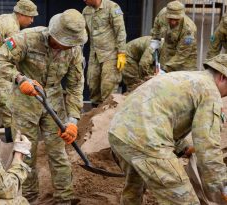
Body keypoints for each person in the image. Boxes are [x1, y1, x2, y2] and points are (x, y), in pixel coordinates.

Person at [0, 9, 87, 204]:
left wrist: (73, 120)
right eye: (64, 42)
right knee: (26, 154)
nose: (66, 47)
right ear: (55, 33)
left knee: (59, 154)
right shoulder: (27, 38)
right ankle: (28, 199)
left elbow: (76, 86)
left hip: (54, 102)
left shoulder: (75, 50)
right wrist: (20, 79)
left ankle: (65, 199)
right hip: (25, 100)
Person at [108, 54, 227, 204]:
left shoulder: (187, 78)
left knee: (134, 189)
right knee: (185, 200)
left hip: (119, 133)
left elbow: (160, 114)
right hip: (147, 142)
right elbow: (208, 146)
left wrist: (183, 148)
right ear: (223, 76)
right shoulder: (210, 92)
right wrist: (223, 187)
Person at [0, 0, 38, 139]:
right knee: (10, 107)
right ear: (21, 14)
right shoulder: (12, 28)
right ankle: (11, 144)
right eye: (31, 16)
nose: (32, 20)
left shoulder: (5, 17)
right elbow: (13, 55)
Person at [83, 0, 127, 107]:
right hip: (95, 55)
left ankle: (107, 116)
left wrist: (121, 53)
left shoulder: (112, 7)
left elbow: (120, 31)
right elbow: (83, 33)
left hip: (111, 55)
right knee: (93, 85)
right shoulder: (86, 11)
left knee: (108, 86)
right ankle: (95, 115)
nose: (84, 0)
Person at [151, 1, 197, 72]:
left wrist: (164, 69)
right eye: (170, 18)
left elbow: (182, 55)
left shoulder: (189, 29)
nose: (173, 22)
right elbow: (156, 26)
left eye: (176, 19)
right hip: (167, 52)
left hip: (185, 61)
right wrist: (155, 41)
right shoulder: (162, 14)